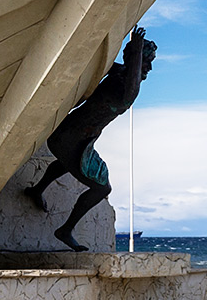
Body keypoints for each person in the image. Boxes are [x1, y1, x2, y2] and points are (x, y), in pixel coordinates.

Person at [25, 26, 156, 251]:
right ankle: (65, 230)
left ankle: (37, 190)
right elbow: (131, 83)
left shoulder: (116, 74)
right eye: (147, 62)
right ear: (135, 62)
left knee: (71, 163)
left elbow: (109, 65)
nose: (149, 68)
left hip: (67, 136)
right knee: (102, 188)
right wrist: (135, 52)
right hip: (72, 140)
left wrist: (134, 53)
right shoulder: (127, 91)